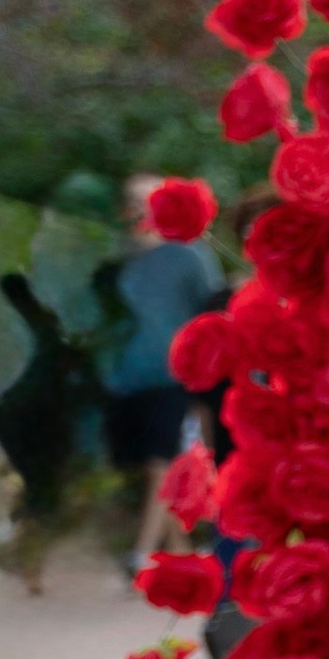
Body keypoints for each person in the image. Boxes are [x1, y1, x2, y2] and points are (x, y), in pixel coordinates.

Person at [101, 178, 224, 560]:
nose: (141, 208)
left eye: (151, 200)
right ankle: (180, 554)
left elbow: (213, 311)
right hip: (127, 379)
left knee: (163, 462)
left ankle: (141, 555)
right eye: (134, 200)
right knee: (153, 464)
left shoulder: (191, 253)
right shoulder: (120, 258)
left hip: (175, 377)